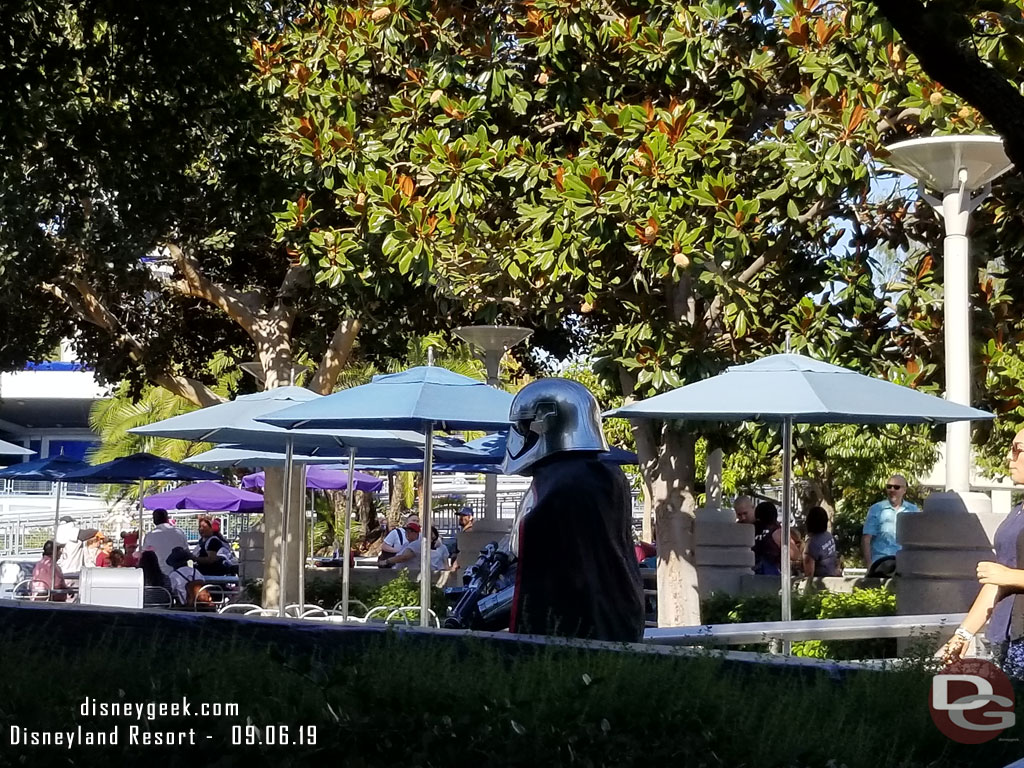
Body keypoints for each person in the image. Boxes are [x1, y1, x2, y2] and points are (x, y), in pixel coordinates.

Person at [503, 378, 644, 642]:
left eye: (526, 425)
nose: (523, 434)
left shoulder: (563, 481)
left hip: (573, 626)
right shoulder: (605, 474)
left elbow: (539, 563)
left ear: (549, 423)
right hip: (614, 617)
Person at [940, 429, 1024, 675]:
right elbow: (996, 578)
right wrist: (963, 634)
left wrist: (1009, 576)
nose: (1010, 457)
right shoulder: (1017, 512)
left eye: (1018, 450)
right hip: (1008, 635)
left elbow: (1003, 575)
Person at [862, 474, 919, 576]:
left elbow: (918, 539)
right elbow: (866, 538)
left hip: (904, 564)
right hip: (880, 564)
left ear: (904, 490)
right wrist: (869, 565)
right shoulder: (876, 509)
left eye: (896, 487)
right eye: (889, 487)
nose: (892, 490)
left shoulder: (913, 510)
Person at [752, 501, 802, 575]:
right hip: (771, 577)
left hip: (751, 574)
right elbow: (795, 555)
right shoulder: (777, 532)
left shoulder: (750, 530)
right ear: (774, 515)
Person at [141, 508, 190, 576]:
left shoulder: (150, 536)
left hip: (160, 573)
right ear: (167, 519)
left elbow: (145, 555)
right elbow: (187, 553)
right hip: (180, 573)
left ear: (154, 520)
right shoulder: (179, 532)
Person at [803, 506, 840, 577]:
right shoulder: (829, 536)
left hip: (820, 583)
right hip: (834, 577)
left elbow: (809, 574)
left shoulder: (811, 545)